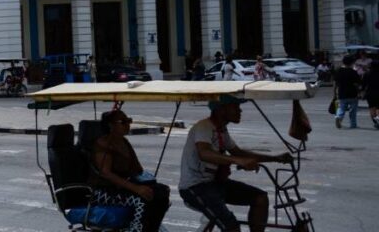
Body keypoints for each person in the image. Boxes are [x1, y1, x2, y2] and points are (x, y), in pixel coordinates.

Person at [179, 95, 293, 232]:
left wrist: (275, 158)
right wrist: (237, 161)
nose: (240, 111)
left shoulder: (221, 130)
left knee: (260, 198)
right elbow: (204, 153)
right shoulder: (204, 127)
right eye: (236, 107)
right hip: (195, 187)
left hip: (215, 184)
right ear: (221, 109)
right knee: (231, 227)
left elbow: (238, 153)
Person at [88, 109, 170, 232]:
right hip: (103, 191)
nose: (128, 125)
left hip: (123, 188)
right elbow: (106, 173)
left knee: (162, 192)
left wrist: (146, 183)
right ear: (111, 125)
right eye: (123, 122)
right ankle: (136, 229)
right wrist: (136, 188)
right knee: (141, 200)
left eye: (129, 121)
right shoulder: (103, 144)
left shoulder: (124, 142)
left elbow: (137, 169)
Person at [334, 55, 361, 129]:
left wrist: (335, 92)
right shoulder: (353, 72)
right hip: (353, 93)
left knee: (341, 107)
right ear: (352, 63)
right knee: (353, 110)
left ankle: (338, 116)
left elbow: (336, 83)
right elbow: (357, 84)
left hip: (342, 92)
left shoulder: (339, 71)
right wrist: (359, 92)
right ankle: (353, 124)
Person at [364, 62, 379, 130]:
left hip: (370, 93)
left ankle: (376, 122)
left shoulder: (367, 74)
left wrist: (361, 91)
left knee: (372, 107)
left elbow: (363, 84)